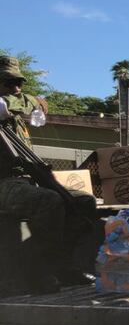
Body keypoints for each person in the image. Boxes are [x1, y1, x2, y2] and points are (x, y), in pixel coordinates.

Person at [0, 56, 97, 292]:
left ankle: (62, 266)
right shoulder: (6, 107)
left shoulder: (12, 118)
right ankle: (37, 272)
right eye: (8, 83)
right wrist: (33, 100)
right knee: (49, 200)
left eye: (18, 83)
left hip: (24, 180)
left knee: (82, 201)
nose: (16, 89)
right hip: (4, 181)